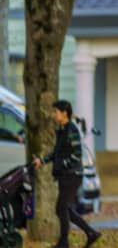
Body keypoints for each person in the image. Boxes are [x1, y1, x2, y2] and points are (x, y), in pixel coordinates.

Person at [33, 99, 101, 248]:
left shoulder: (71, 130)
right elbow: (57, 153)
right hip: (66, 175)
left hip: (72, 175)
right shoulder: (62, 130)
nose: (53, 115)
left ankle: (64, 243)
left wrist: (62, 165)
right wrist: (42, 160)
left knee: (61, 208)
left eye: (55, 112)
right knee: (65, 208)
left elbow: (77, 155)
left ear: (64, 113)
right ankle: (90, 233)